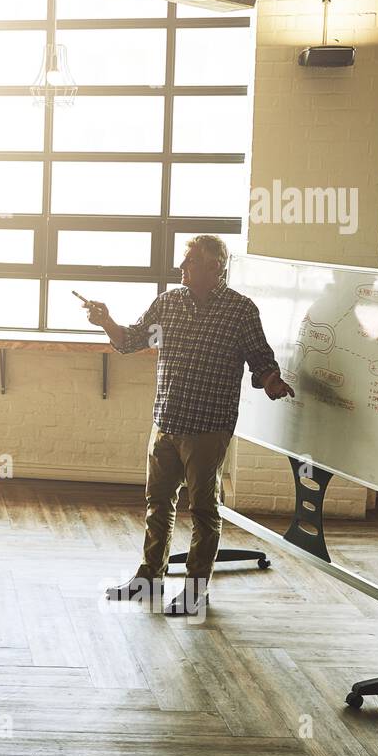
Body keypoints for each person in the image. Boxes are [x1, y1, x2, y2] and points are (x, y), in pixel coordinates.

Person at [84, 235, 295, 616]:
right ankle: (149, 579)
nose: (182, 268)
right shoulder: (168, 303)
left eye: (191, 262)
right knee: (158, 504)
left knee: (202, 510)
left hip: (208, 428)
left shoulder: (240, 311)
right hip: (166, 421)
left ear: (216, 266)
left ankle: (196, 590)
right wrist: (106, 322)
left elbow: (260, 360)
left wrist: (272, 383)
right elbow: (131, 340)